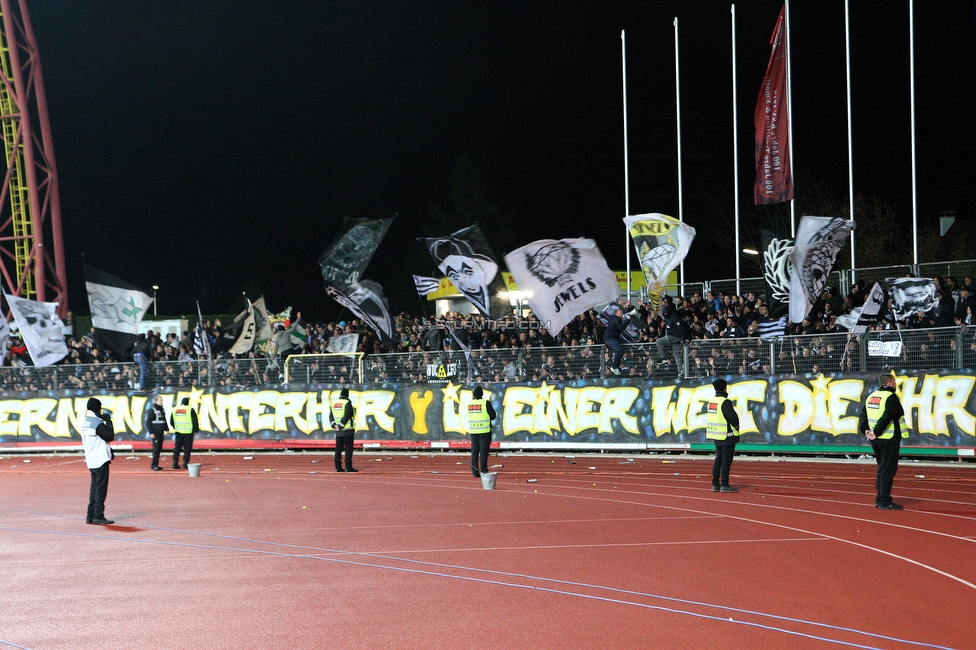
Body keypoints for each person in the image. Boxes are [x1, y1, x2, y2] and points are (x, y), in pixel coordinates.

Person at [859, 373, 908, 510]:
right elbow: (888, 417)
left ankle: (881, 497)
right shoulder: (891, 398)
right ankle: (884, 500)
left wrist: (866, 431)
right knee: (888, 469)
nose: (896, 384)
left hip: (875, 439)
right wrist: (877, 432)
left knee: (882, 468)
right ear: (890, 383)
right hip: (888, 437)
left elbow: (863, 416)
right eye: (895, 382)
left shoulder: (871, 397)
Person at [81, 397, 115, 525]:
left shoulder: (86, 422)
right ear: (98, 408)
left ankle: (90, 515)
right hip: (100, 459)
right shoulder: (97, 423)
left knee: (94, 488)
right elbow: (110, 436)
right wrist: (108, 421)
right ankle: (98, 515)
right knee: (100, 488)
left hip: (91, 459)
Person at [706, 378, 740, 493]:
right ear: (725, 388)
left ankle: (715, 484)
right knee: (726, 461)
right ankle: (724, 484)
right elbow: (733, 418)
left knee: (718, 459)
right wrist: (736, 427)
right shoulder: (725, 402)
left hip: (716, 435)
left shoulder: (712, 402)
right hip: (727, 436)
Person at [467, 385, 496, 477]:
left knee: (474, 451)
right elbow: (493, 416)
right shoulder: (485, 403)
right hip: (484, 430)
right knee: (483, 451)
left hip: (473, 430)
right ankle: (483, 470)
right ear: (482, 394)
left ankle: (475, 471)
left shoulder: (469, 404)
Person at [604, 302, 637, 375]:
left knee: (623, 347)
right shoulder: (617, 319)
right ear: (617, 314)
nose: (622, 314)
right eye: (621, 313)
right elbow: (621, 327)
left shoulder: (614, 319)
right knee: (618, 349)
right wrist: (628, 320)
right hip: (611, 338)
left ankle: (617, 361)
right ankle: (614, 367)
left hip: (611, 338)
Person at [330, 387, 358, 472]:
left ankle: (337, 467)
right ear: (347, 395)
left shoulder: (334, 404)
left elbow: (331, 417)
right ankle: (348, 467)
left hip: (338, 432)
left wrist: (335, 426)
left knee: (338, 449)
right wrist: (341, 426)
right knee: (348, 450)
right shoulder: (347, 403)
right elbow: (346, 416)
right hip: (347, 430)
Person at [170, 397, 199, 470]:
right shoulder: (190, 409)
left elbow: (171, 421)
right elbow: (194, 420)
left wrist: (176, 427)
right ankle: (185, 464)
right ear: (187, 402)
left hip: (178, 432)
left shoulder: (175, 409)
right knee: (187, 449)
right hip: (188, 432)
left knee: (177, 448)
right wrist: (196, 430)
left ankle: (175, 463)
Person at [145, 394, 169, 471]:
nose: (161, 402)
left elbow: (164, 420)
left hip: (161, 432)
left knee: (159, 449)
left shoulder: (162, 410)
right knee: (156, 449)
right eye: (160, 400)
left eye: (162, 400)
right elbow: (148, 422)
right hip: (155, 433)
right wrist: (151, 432)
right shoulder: (153, 410)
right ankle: (154, 465)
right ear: (156, 401)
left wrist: (167, 429)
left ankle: (156, 464)